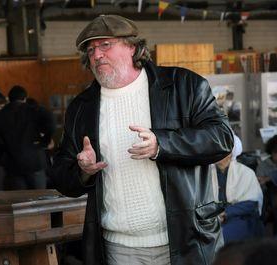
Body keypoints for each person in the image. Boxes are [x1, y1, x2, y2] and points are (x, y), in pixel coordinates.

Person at [49, 14, 233, 265]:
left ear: (133, 46)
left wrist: (162, 144)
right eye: (91, 50)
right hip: (119, 248)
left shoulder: (184, 85)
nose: (97, 55)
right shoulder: (81, 107)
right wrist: (83, 170)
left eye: (105, 45)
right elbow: (60, 174)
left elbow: (222, 138)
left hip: (185, 239)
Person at [0, 85, 55, 190]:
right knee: (39, 199)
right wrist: (44, 141)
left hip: (12, 164)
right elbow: (51, 120)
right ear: (25, 98)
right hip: (35, 162)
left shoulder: (0, 115)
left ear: (9, 98)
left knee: (19, 201)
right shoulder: (32, 110)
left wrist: (2, 155)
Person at [211, 135, 264, 243]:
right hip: (213, 217)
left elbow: (252, 203)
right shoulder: (206, 174)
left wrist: (226, 213)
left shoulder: (246, 172)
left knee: (223, 236)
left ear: (231, 153)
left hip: (240, 217)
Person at [256, 134, 277, 234]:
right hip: (267, 201)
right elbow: (260, 186)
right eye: (276, 153)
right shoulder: (263, 166)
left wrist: (269, 178)